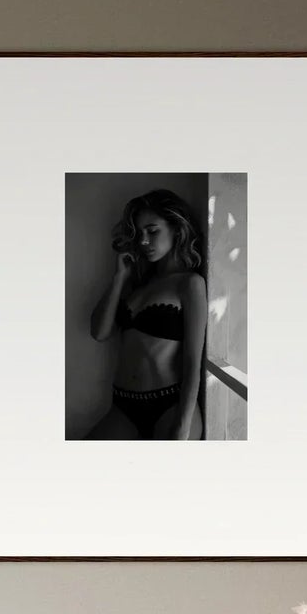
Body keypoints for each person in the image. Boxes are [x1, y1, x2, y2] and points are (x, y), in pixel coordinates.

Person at [84, 189, 206, 440]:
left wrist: (183, 426)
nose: (143, 241)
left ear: (176, 228)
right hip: (123, 406)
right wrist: (119, 278)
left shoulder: (189, 284)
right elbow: (99, 332)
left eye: (152, 231)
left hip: (169, 406)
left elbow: (193, 361)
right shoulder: (138, 285)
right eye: (139, 233)